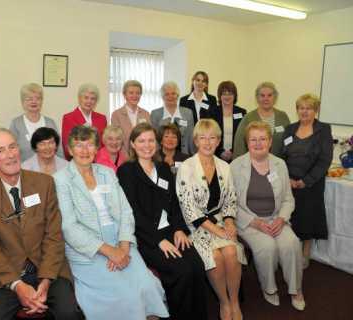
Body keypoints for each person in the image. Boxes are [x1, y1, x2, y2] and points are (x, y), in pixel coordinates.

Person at [54, 125, 169, 320]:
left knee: (150, 287)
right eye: (78, 145)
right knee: (125, 296)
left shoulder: (107, 172)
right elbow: (69, 228)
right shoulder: (61, 179)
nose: (84, 150)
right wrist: (110, 251)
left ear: (97, 148)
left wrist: (123, 247)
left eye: (90, 145)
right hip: (89, 250)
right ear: (69, 149)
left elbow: (125, 212)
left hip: (120, 242)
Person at [0, 128, 82, 320]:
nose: (10, 155)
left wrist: (46, 280)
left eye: (12, 147)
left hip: (48, 267)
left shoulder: (44, 183)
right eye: (1, 150)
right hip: (5, 274)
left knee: (69, 313)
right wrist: (18, 285)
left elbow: (54, 235)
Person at [117, 123, 207, 320]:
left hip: (171, 231)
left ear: (157, 144)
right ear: (132, 144)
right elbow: (133, 213)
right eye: (141, 141)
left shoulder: (164, 168)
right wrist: (158, 239)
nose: (147, 145)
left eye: (151, 140)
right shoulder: (126, 172)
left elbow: (174, 203)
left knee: (197, 267)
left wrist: (179, 229)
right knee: (181, 271)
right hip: (146, 237)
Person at [231, 121, 305, 311]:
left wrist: (281, 219)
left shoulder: (280, 164)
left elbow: (288, 199)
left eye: (262, 139)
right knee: (267, 247)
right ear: (247, 142)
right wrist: (254, 222)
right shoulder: (236, 166)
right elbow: (230, 204)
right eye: (253, 139)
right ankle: (269, 288)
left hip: (277, 218)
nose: (258, 143)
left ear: (270, 142)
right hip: (249, 220)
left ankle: (295, 288)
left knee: (292, 243)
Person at [176, 119, 246, 320]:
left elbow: (231, 198)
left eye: (212, 138)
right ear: (196, 141)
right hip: (196, 225)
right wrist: (218, 231)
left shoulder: (225, 166)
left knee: (232, 252)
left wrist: (230, 221)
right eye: (202, 138)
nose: (207, 142)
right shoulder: (187, 167)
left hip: (220, 220)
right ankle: (223, 302)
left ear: (218, 141)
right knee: (215, 256)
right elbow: (188, 208)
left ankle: (234, 302)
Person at [280, 94, 333, 269]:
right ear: (297, 110)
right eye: (301, 108)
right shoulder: (289, 129)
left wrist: (305, 181)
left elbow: (325, 159)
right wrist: (287, 178)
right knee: (290, 217)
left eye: (308, 108)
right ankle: (290, 251)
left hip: (311, 184)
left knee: (308, 218)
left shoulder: (323, 129)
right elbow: (281, 155)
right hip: (288, 182)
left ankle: (305, 253)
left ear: (315, 110)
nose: (304, 111)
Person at [233, 82, 290, 159]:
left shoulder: (283, 117)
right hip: (253, 165)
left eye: (269, 95)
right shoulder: (248, 118)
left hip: (278, 165)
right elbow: (239, 145)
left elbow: (289, 142)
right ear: (257, 98)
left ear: (275, 97)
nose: (266, 99)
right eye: (262, 95)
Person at [9, 83, 63, 162]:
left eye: (38, 98)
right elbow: (11, 151)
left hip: (49, 171)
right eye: (29, 99)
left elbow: (59, 150)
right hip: (25, 171)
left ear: (42, 101)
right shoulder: (16, 124)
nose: (34, 101)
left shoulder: (50, 123)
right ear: (23, 102)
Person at [61, 83, 107, 159]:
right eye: (86, 98)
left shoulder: (102, 118)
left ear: (96, 101)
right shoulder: (68, 118)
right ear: (79, 98)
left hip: (98, 161)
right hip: (77, 161)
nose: (89, 101)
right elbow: (67, 145)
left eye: (93, 99)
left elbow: (103, 144)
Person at [150, 81, 195, 155]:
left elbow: (191, 137)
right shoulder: (155, 114)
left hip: (184, 155)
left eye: (173, 93)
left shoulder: (188, 113)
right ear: (162, 97)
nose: (170, 96)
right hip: (161, 156)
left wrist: (192, 155)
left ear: (177, 95)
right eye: (167, 94)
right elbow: (154, 138)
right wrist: (156, 155)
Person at [111, 80, 151, 154]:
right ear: (124, 94)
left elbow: (149, 136)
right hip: (124, 156)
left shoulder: (146, 114)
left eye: (138, 93)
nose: (135, 96)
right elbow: (117, 139)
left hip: (143, 155)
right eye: (131, 93)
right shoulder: (116, 115)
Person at [212, 81, 247, 162]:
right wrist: (220, 152)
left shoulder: (241, 112)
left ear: (234, 96)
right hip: (216, 155)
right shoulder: (212, 112)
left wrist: (232, 151)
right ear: (220, 96)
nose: (227, 96)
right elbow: (211, 134)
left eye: (230, 93)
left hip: (236, 155)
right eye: (224, 93)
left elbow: (243, 135)